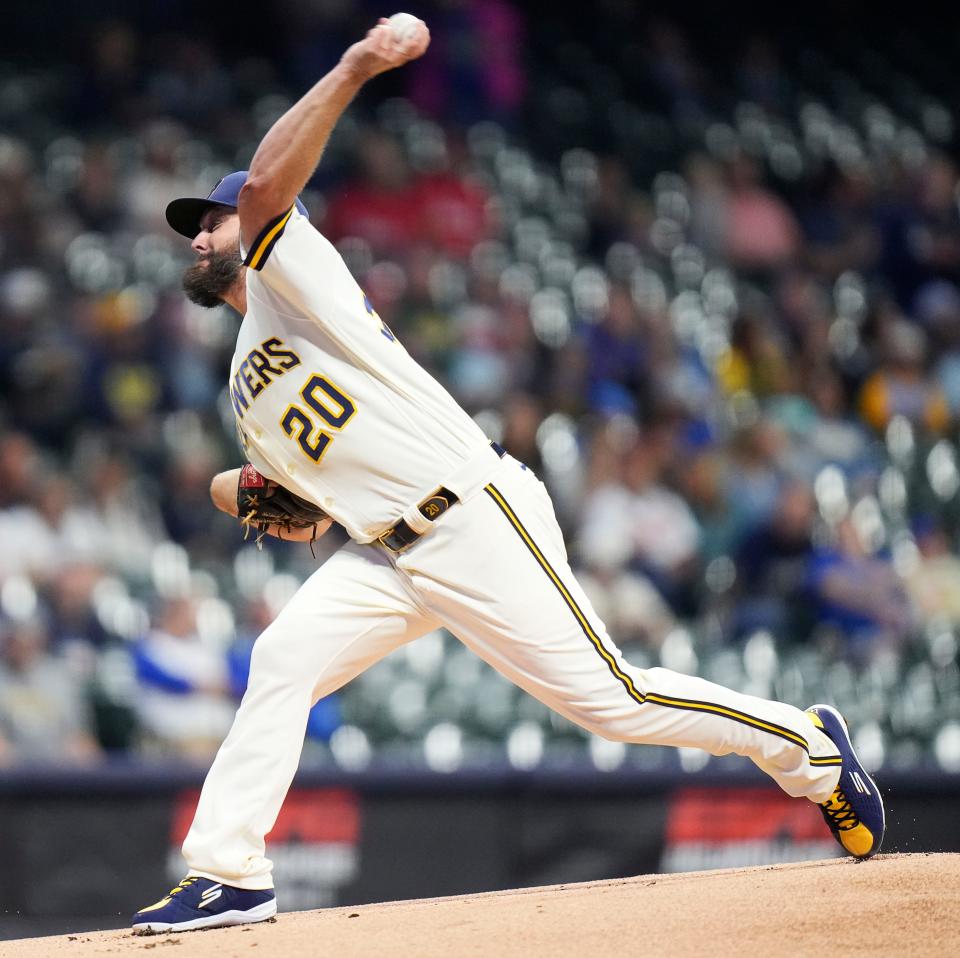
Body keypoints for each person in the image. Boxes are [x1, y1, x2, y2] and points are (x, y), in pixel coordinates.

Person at [132, 16, 885, 935]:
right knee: (282, 659)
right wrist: (253, 495)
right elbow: (288, 509)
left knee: (613, 702)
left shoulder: (291, 277)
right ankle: (230, 873)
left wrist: (357, 65)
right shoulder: (245, 392)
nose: (197, 238)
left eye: (204, 223)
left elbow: (263, 188)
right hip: (386, 553)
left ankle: (809, 746)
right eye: (195, 230)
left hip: (470, 516)